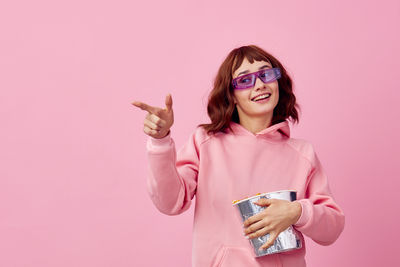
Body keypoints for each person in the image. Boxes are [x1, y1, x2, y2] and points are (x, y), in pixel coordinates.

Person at [132, 45, 345, 267]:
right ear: (231, 95)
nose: (260, 85)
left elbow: (333, 228)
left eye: (266, 74)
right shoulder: (206, 142)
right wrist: (161, 140)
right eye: (245, 80)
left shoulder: (302, 154)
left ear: (278, 83)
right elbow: (170, 202)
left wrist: (297, 212)